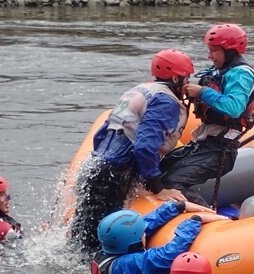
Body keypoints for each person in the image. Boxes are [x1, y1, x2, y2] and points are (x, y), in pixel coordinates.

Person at [70, 49, 196, 254]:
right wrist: (158, 187)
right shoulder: (166, 101)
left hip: (98, 165)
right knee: (104, 242)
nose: (188, 83)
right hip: (115, 173)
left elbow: (101, 133)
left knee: (83, 237)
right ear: (175, 78)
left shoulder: (139, 90)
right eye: (187, 77)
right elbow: (145, 145)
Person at [160, 23, 254, 207]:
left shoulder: (241, 75)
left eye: (214, 50)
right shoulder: (221, 71)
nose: (209, 55)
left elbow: (234, 108)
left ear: (230, 51)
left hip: (221, 148)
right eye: (210, 50)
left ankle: (206, 216)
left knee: (171, 183)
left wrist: (202, 92)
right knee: (159, 171)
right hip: (205, 142)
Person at [90, 200, 228, 274]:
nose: (145, 234)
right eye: (143, 234)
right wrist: (194, 221)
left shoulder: (108, 250)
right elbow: (171, 252)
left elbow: (142, 225)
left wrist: (176, 207)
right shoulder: (132, 264)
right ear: (134, 244)